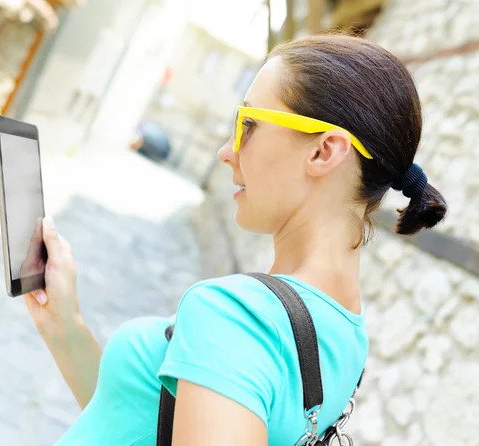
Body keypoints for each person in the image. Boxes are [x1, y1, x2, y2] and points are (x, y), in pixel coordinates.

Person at [24, 34, 447, 445]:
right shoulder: (346, 335)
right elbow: (140, 421)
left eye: (249, 124)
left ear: (324, 152)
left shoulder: (235, 318)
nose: (227, 150)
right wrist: (65, 326)